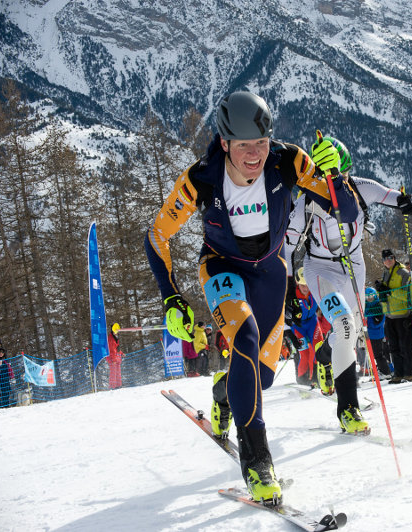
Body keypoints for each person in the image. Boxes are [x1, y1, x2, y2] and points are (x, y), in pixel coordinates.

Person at [144, 90, 356, 504]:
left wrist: (335, 179)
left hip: (271, 275)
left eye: (261, 142)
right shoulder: (201, 178)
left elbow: (344, 211)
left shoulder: (290, 161)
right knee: (244, 337)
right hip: (222, 267)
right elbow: (157, 234)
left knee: (264, 377)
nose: (255, 154)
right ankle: (257, 459)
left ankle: (225, 392)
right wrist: (170, 296)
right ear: (224, 143)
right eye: (243, 145)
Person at [286, 136, 412, 423]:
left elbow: (395, 198)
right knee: (344, 325)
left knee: (353, 330)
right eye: (329, 177)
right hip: (320, 268)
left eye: (342, 175)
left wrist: (411, 203)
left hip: (354, 264)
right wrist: (287, 288)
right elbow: (286, 248)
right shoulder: (306, 202)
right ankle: (349, 408)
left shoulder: (362, 187)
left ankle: (325, 356)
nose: (338, 184)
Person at [376, 249, 412, 383]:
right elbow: (386, 293)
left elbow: (407, 294)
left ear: (394, 258)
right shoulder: (386, 273)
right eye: (385, 259)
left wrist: (388, 292)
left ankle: (410, 373)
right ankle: (398, 374)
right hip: (389, 315)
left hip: (402, 314)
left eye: (390, 258)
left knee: (405, 346)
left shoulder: (403, 273)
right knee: (393, 347)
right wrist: (381, 290)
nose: (387, 261)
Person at [286, 267, 325, 387]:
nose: (305, 288)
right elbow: (285, 316)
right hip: (298, 327)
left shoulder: (315, 291)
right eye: (302, 285)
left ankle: (317, 378)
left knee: (318, 350)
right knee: (304, 354)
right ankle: (302, 380)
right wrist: (290, 334)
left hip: (312, 323)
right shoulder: (292, 295)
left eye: (307, 284)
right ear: (297, 283)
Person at [364, 286, 391, 378]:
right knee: (375, 354)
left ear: (375, 296)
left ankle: (386, 372)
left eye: (371, 296)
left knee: (378, 354)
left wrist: (370, 322)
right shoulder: (366, 306)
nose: (369, 298)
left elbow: (379, 321)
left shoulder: (378, 305)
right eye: (367, 297)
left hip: (377, 334)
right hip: (369, 334)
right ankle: (382, 370)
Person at [107, 323, 124, 389]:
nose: (116, 333)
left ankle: (118, 385)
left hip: (117, 357)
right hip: (112, 358)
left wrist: (121, 353)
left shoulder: (116, 337)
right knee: (113, 372)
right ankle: (112, 386)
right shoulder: (110, 338)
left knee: (118, 372)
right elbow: (112, 350)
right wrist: (113, 360)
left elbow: (117, 348)